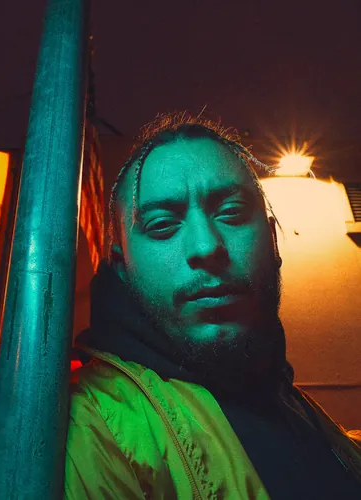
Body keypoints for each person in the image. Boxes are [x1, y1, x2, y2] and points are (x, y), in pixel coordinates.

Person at [64, 113, 361, 499]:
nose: (206, 247)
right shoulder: (89, 427)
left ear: (273, 242)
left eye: (232, 213)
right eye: (162, 225)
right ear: (122, 268)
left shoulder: (290, 403)